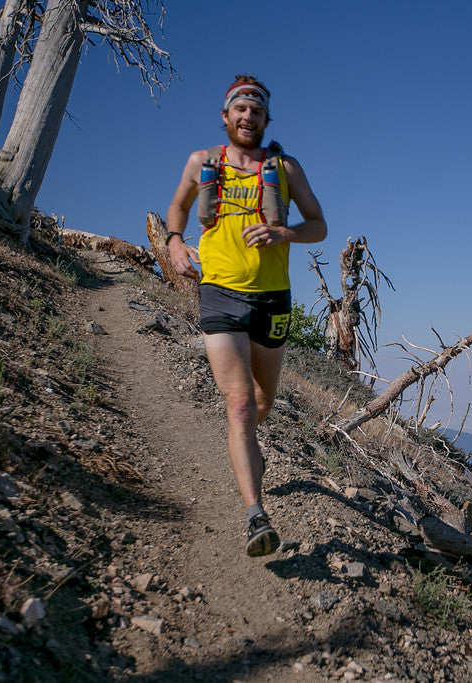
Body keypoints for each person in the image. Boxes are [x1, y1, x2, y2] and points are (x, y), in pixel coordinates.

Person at [165, 74, 327, 557]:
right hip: (220, 293)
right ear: (226, 115)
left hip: (272, 298)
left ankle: (246, 453)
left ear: (265, 118)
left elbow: (318, 225)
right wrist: (174, 242)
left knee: (260, 404)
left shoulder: (285, 167)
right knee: (237, 405)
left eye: (256, 111)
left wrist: (285, 235)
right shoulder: (202, 162)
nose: (248, 117)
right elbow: (176, 206)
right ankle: (255, 514)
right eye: (240, 109)